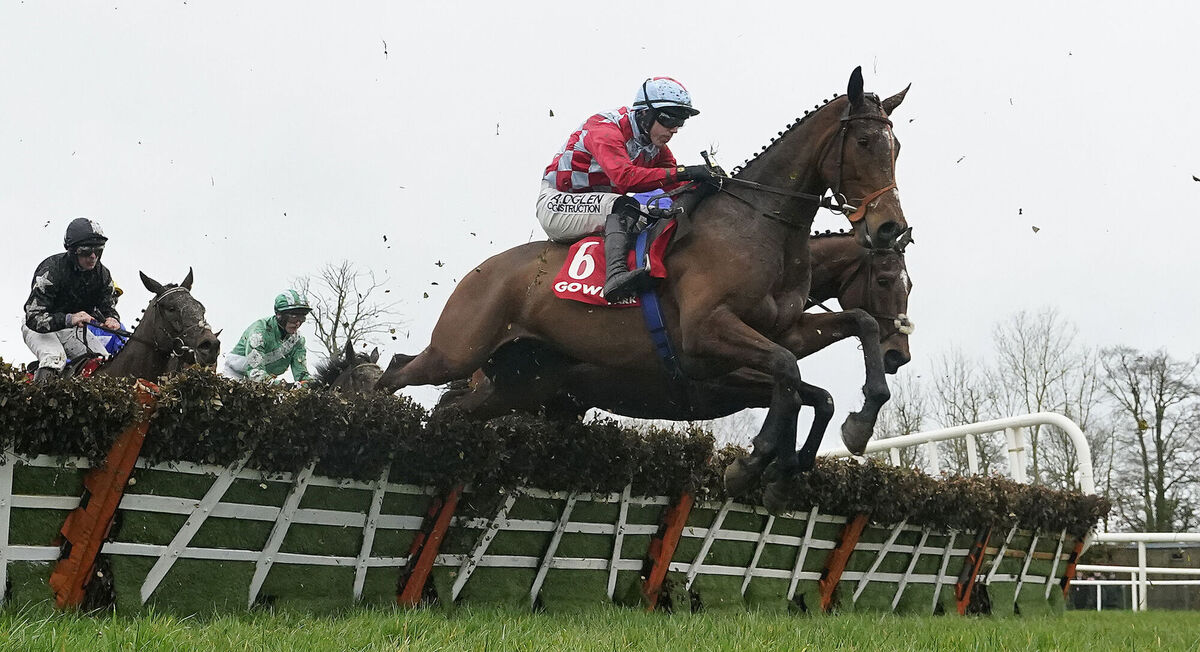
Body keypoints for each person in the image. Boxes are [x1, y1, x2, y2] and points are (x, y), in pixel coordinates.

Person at [538, 77, 719, 301]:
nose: (674, 129)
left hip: (597, 206)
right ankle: (615, 277)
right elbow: (626, 179)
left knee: (656, 215)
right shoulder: (605, 130)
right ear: (645, 113)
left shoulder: (653, 146)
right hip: (557, 203)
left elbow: (675, 183)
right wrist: (687, 172)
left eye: (680, 122)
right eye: (669, 119)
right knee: (625, 205)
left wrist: (711, 183)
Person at [22, 218, 121, 382]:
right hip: (39, 327)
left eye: (98, 250)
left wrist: (112, 319)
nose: (93, 256)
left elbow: (108, 308)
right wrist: (69, 318)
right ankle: (37, 404)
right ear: (73, 250)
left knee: (104, 360)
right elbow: (33, 318)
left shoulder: (103, 275)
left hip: (72, 329)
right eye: (86, 251)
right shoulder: (51, 270)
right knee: (54, 358)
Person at [221, 290, 313, 385]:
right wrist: (285, 386)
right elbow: (255, 373)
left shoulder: (297, 341)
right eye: (294, 317)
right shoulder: (259, 333)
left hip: (265, 382)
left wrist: (315, 385)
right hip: (235, 377)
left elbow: (302, 375)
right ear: (279, 315)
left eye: (302, 318)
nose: (298, 323)